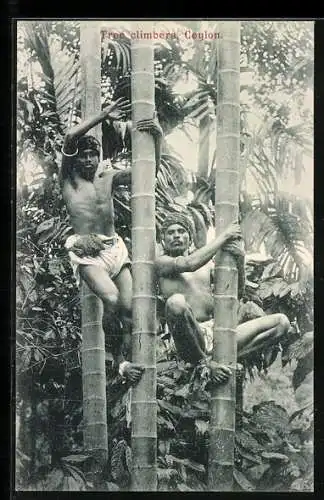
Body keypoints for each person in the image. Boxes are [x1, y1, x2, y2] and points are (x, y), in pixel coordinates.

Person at [61, 98, 163, 384]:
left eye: (93, 156)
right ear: (75, 160)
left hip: (115, 248)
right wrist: (102, 115)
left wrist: (157, 135)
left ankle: (127, 364)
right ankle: (117, 362)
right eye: (83, 156)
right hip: (87, 253)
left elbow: (148, 173)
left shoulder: (108, 178)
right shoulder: (69, 183)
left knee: (131, 309)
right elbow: (71, 137)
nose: (88, 160)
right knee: (112, 299)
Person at [155, 213, 291, 385]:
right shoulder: (161, 263)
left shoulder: (209, 266)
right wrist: (225, 236)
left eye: (181, 231)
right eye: (171, 232)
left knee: (281, 323)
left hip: (217, 334)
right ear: (163, 240)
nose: (176, 235)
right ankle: (204, 364)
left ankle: (224, 360)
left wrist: (239, 260)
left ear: (189, 239)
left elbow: (236, 295)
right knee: (176, 302)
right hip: (189, 338)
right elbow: (188, 264)